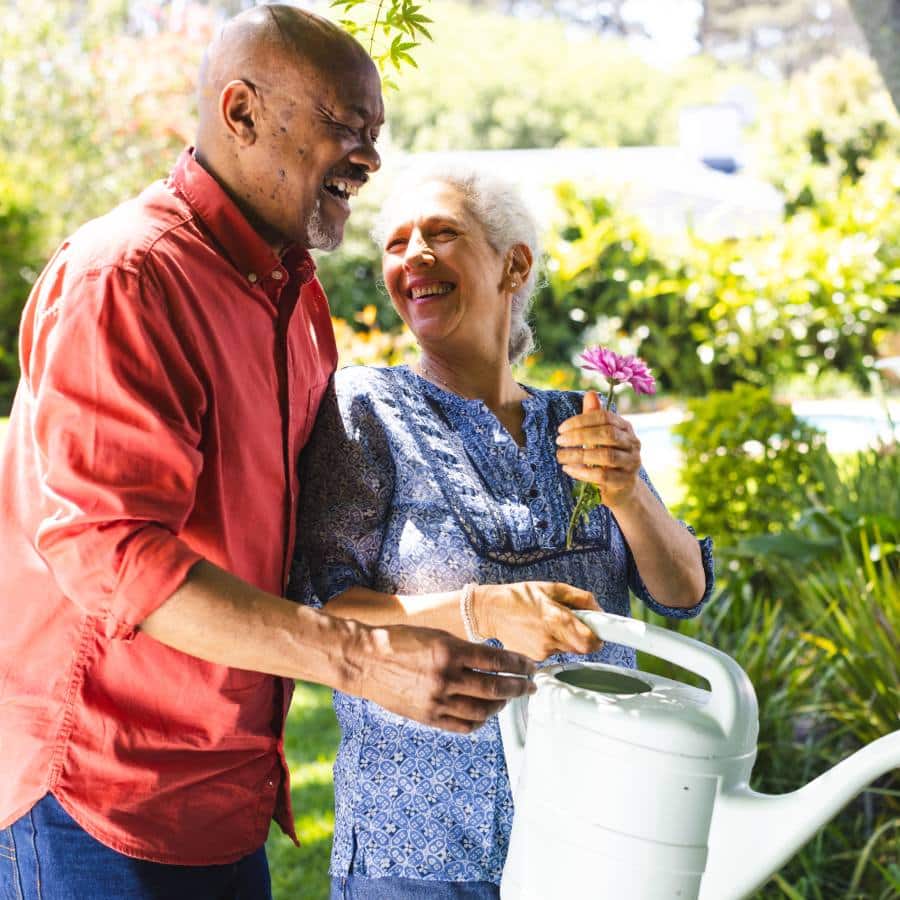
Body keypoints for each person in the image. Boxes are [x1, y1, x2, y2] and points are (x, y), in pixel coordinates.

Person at [0, 11, 536, 899]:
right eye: (345, 127)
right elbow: (115, 554)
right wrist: (363, 659)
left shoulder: (291, 296)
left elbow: (282, 545)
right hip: (98, 794)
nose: (368, 160)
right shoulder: (126, 276)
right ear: (240, 112)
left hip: (223, 791)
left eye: (375, 137)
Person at [292, 165, 715, 899]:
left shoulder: (577, 419)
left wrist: (626, 495)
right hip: (420, 838)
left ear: (513, 263)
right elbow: (324, 612)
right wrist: (479, 610)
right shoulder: (367, 409)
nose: (412, 256)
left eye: (441, 234)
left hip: (596, 830)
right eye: (395, 244)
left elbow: (684, 592)